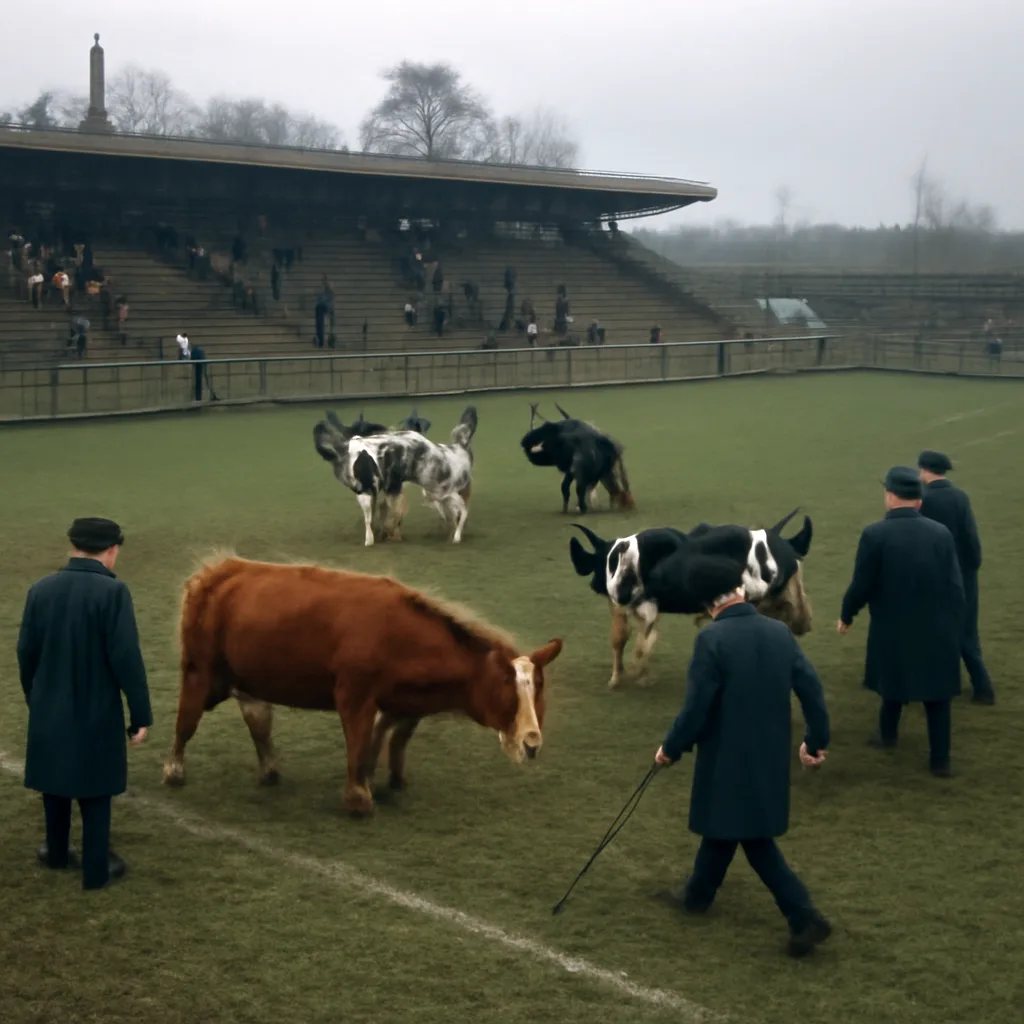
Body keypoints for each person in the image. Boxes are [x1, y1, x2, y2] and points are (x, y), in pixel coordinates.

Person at [654, 561, 832, 957]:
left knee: (752, 837)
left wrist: (671, 747)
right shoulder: (779, 633)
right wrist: (815, 740)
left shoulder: (712, 639)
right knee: (728, 825)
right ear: (739, 588)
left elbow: (696, 708)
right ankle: (697, 895)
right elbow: (812, 690)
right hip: (769, 752)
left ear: (705, 600)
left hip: (727, 755)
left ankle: (804, 915)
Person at [16, 518, 153, 891]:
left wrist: (37, 698)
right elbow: (126, 658)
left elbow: (26, 653)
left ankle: (57, 853)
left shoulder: (39, 590)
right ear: (112, 550)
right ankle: (96, 872)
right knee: (96, 790)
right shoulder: (113, 593)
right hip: (96, 709)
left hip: (49, 707)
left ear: (73, 546)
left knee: (55, 784)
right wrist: (140, 714)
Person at [838, 467, 965, 776]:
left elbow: (862, 584)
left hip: (892, 627)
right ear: (919, 501)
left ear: (891, 497)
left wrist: (847, 614)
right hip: (937, 627)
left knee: (891, 682)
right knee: (937, 696)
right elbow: (955, 586)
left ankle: (887, 735)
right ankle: (940, 760)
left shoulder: (875, 534)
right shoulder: (940, 533)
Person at [918, 450, 995, 705]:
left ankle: (935, 686)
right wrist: (972, 567)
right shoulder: (960, 496)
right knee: (967, 634)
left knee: (932, 632)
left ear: (925, 470)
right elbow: (971, 538)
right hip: (965, 575)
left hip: (936, 577)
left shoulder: (924, 500)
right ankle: (983, 687)